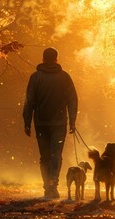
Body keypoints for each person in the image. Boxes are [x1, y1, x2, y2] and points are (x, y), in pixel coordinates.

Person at [23, 47, 78, 199]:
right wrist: (72, 121)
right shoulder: (64, 77)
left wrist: (27, 121)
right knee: (56, 155)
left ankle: (47, 186)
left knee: (44, 156)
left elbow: (29, 101)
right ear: (56, 59)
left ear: (43, 59)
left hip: (40, 123)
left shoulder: (35, 77)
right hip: (59, 124)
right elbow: (72, 100)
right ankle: (53, 182)